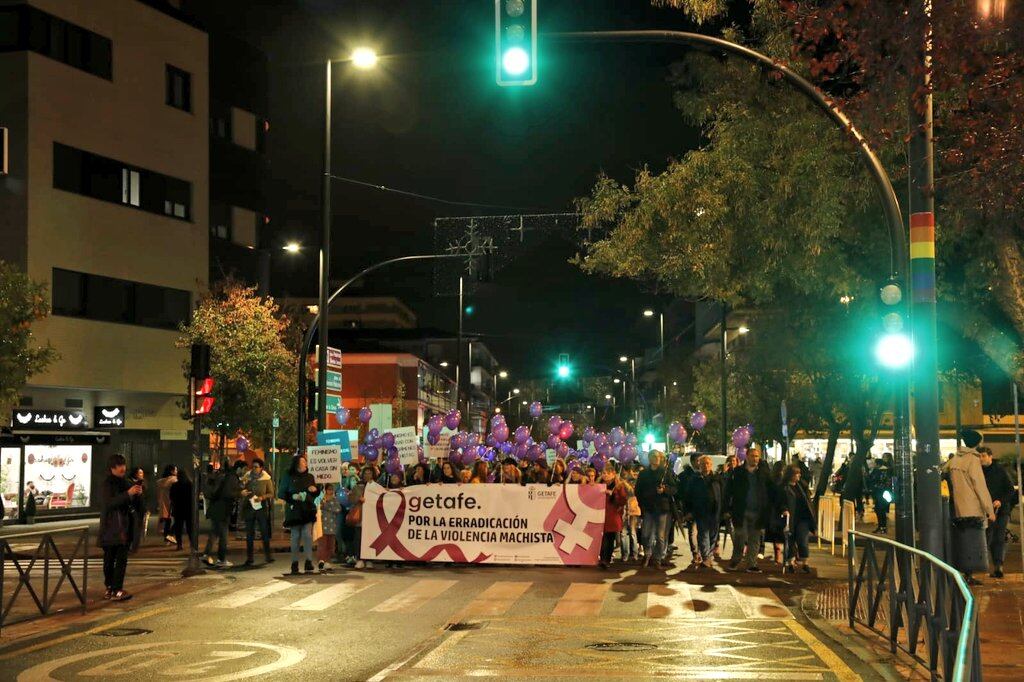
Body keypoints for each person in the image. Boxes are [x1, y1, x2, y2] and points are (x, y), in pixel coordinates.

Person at [943, 430, 995, 585]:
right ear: (978, 443)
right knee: (974, 540)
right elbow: (980, 486)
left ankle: (964, 572)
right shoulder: (972, 460)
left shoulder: (955, 459)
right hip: (973, 507)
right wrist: (989, 511)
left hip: (957, 505)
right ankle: (969, 574)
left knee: (962, 539)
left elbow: (943, 469)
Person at [98, 454, 143, 601]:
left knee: (122, 559)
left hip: (124, 527)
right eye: (119, 465)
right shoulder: (107, 484)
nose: (123, 468)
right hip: (110, 528)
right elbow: (109, 503)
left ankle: (117, 588)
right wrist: (128, 494)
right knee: (109, 559)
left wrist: (136, 494)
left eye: (124, 464)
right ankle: (110, 587)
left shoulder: (126, 482)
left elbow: (136, 505)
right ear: (112, 468)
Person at [725, 446, 772, 572]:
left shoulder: (763, 473)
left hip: (758, 511)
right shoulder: (738, 472)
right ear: (747, 457)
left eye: (757, 456)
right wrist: (727, 509)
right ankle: (736, 559)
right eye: (752, 456)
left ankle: (752, 563)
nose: (755, 459)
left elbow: (770, 491)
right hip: (742, 510)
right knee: (740, 537)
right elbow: (729, 491)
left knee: (755, 539)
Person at [635, 450, 677, 569]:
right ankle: (647, 554)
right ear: (649, 458)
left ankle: (657, 558)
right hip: (648, 507)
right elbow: (638, 490)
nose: (656, 458)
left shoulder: (665, 472)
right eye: (654, 456)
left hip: (662, 508)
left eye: (658, 456)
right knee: (646, 534)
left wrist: (665, 490)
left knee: (660, 536)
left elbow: (674, 488)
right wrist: (642, 504)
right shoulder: (643, 474)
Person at [281, 454, 320, 575]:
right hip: (294, 510)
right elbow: (282, 492)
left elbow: (314, 493)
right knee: (295, 537)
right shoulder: (289, 476)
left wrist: (315, 490)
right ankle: (294, 563)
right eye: (303, 461)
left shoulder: (310, 476)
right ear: (297, 463)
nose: (306, 463)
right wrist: (292, 497)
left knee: (307, 535)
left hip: (307, 509)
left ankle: (309, 561)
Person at [979, 446, 1013, 579]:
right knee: (990, 537)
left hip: (1001, 510)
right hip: (987, 511)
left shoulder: (1000, 470)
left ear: (990, 456)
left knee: (998, 536)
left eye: (983, 456)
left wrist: (1001, 501)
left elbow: (1010, 489)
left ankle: (998, 566)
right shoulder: (979, 471)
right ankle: (991, 564)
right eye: (979, 456)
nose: (981, 459)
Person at [684, 455, 723, 569]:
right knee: (703, 535)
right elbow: (688, 496)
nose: (705, 466)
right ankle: (706, 557)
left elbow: (723, 494)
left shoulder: (716, 479)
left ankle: (709, 555)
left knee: (713, 536)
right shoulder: (694, 479)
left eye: (708, 464)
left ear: (711, 465)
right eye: (703, 464)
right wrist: (689, 511)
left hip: (714, 512)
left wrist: (724, 509)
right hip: (700, 511)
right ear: (699, 465)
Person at [202, 459, 241, 569]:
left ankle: (206, 554)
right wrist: (240, 493)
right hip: (223, 510)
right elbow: (228, 493)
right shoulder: (231, 477)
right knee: (223, 535)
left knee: (214, 533)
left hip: (215, 508)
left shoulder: (220, 476)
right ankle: (221, 559)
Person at [780, 464, 815, 574]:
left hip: (802, 518)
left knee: (802, 539)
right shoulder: (784, 487)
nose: (799, 476)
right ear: (790, 475)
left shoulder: (801, 486)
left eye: (799, 473)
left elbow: (807, 500)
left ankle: (805, 562)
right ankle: (791, 562)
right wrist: (784, 510)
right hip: (791, 517)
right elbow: (780, 502)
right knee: (790, 540)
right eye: (796, 473)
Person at [241, 458, 275, 566]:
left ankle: (268, 556)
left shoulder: (266, 479)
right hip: (249, 507)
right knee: (249, 533)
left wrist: (262, 497)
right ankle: (249, 558)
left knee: (264, 532)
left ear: (261, 468)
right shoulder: (247, 476)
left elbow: (271, 493)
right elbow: (242, 487)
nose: (254, 469)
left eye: (256, 467)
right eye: (253, 466)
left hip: (261, 507)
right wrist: (244, 490)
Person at [599, 465, 629, 568]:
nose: (605, 475)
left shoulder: (618, 486)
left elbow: (623, 501)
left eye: (607, 473)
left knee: (609, 538)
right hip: (600, 515)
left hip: (612, 515)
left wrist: (612, 494)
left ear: (613, 474)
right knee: (603, 539)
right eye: (603, 473)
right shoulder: (599, 485)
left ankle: (605, 559)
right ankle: (603, 558)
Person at [351, 465, 377, 569]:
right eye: (365, 473)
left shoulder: (376, 487)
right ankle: (360, 559)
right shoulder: (358, 486)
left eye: (369, 473)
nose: (367, 475)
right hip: (360, 518)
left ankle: (370, 559)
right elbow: (351, 499)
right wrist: (358, 498)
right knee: (359, 539)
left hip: (372, 518)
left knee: (370, 538)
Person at [318, 483, 342, 572]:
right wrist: (321, 505)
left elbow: (338, 509)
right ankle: (321, 560)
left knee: (330, 545)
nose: (330, 491)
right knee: (322, 544)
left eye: (332, 489)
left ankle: (327, 561)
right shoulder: (321, 499)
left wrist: (327, 506)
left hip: (332, 526)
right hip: (322, 525)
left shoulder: (335, 500)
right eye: (329, 489)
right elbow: (316, 508)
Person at [170, 470, 194, 551]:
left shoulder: (175, 485)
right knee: (190, 527)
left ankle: (179, 545)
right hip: (188, 508)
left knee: (178, 528)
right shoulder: (190, 485)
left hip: (178, 508)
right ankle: (192, 544)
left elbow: (171, 497)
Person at [868, 456, 893, 533]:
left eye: (875, 463)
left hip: (880, 493)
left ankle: (882, 527)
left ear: (878, 464)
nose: (874, 464)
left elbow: (874, 480)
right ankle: (881, 526)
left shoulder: (881, 471)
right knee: (879, 510)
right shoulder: (884, 471)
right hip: (882, 493)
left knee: (880, 510)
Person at [128, 466, 149, 554]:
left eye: (142, 473)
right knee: (131, 528)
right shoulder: (129, 482)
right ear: (135, 473)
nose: (142, 475)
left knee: (138, 529)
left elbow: (145, 497)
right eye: (140, 473)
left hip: (140, 509)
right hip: (132, 509)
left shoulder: (143, 483)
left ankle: (135, 547)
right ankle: (129, 546)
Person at [156, 465, 177, 544]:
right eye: (175, 470)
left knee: (167, 520)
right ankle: (169, 535)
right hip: (172, 501)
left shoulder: (160, 481)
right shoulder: (174, 480)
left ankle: (167, 537)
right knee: (177, 520)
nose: (176, 472)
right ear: (171, 471)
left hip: (162, 501)